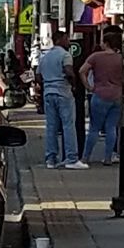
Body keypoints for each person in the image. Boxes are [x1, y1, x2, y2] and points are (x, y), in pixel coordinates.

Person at [36, 32, 86, 169]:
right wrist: (73, 84)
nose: (68, 42)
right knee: (68, 125)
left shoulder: (44, 57)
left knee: (51, 127)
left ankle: (51, 159)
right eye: (66, 39)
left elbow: (38, 76)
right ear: (60, 40)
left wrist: (47, 82)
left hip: (48, 92)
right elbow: (69, 71)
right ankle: (71, 158)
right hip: (63, 92)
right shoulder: (65, 55)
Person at [82, 31, 124, 166]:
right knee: (111, 127)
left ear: (106, 43)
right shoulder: (121, 58)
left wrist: (89, 87)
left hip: (100, 94)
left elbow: (82, 71)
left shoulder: (96, 57)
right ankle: (108, 158)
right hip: (117, 95)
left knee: (94, 127)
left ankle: (85, 157)